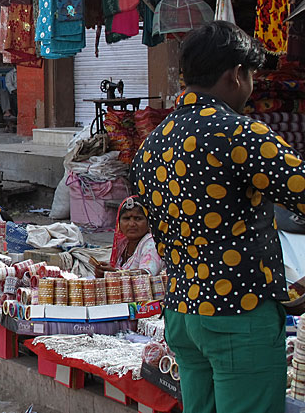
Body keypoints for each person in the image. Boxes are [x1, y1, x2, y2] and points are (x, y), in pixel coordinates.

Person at [130, 21, 304, 413]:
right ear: (235, 75)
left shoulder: (152, 145)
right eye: (251, 77)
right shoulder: (239, 134)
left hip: (183, 314)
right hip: (238, 312)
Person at [91, 195, 164, 277]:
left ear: (148, 222)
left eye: (138, 218)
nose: (132, 224)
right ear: (119, 223)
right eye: (126, 218)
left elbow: (147, 274)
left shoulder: (151, 243)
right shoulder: (124, 244)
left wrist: (116, 273)